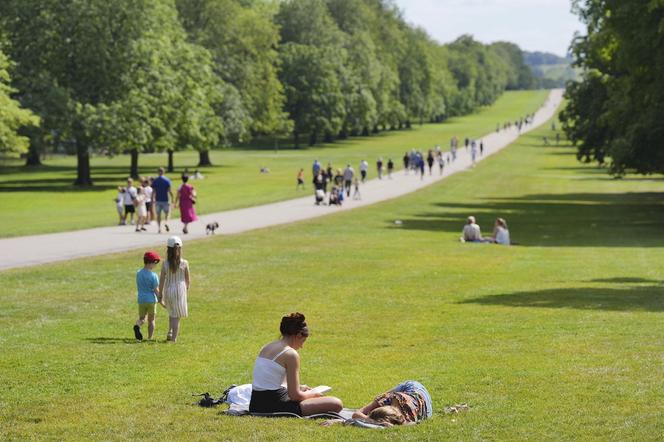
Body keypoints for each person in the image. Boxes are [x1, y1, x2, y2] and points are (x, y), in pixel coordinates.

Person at [249, 313, 343, 416]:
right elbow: (295, 396)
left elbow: (272, 382)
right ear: (298, 335)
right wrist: (312, 395)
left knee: (307, 395)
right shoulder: (290, 354)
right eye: (303, 341)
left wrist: (300, 387)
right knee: (336, 403)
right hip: (273, 406)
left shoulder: (268, 346)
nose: (302, 346)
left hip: (255, 403)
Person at [352, 381, 432, 426]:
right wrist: (372, 420)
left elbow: (356, 414)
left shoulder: (408, 416)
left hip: (415, 391)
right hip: (415, 390)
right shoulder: (386, 399)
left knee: (385, 398)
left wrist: (374, 422)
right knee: (381, 398)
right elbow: (356, 414)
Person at [159, 236, 189, 342]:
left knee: (172, 312)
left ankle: (170, 331)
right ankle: (173, 339)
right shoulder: (184, 263)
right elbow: (187, 280)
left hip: (168, 290)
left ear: (168, 249)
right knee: (177, 316)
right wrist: (186, 291)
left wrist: (160, 294)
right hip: (179, 290)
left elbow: (162, 279)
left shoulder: (165, 263)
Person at [133, 251, 161, 341]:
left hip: (141, 299)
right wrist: (161, 299)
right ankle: (150, 338)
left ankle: (137, 325)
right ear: (150, 262)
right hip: (151, 300)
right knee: (151, 320)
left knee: (142, 318)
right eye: (155, 263)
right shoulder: (154, 275)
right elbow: (156, 290)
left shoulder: (138, 273)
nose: (155, 265)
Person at [151, 168, 174, 234]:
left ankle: (159, 229)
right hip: (165, 199)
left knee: (158, 215)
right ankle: (166, 222)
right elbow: (170, 191)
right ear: (164, 172)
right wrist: (172, 198)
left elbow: (153, 191)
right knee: (167, 213)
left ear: (158, 172)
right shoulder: (167, 180)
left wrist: (152, 199)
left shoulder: (155, 181)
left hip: (158, 200)